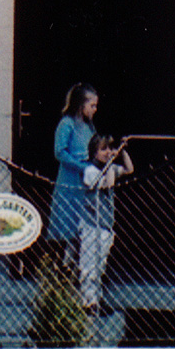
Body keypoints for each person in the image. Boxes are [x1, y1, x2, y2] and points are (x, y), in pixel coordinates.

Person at [77, 133, 133, 314]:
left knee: (99, 265)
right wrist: (111, 163)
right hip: (91, 224)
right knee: (88, 265)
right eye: (103, 149)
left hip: (106, 225)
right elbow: (108, 183)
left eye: (109, 148)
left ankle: (95, 300)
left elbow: (129, 169)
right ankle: (87, 302)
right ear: (94, 152)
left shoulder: (109, 167)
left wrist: (122, 152)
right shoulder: (90, 171)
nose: (108, 152)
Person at [46, 83, 98, 261]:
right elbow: (60, 152)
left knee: (83, 226)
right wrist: (82, 166)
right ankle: (62, 268)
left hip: (86, 181)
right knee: (68, 226)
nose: (94, 109)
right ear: (80, 104)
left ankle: (77, 267)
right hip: (70, 180)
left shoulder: (89, 126)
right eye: (92, 105)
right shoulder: (66, 124)